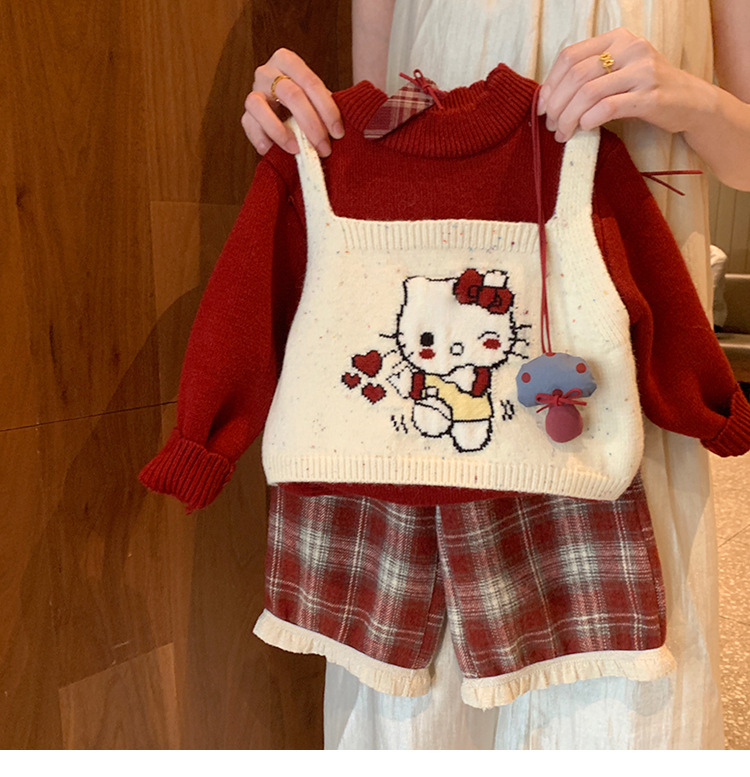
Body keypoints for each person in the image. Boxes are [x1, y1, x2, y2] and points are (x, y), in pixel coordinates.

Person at [145, 0, 750, 750]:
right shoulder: (333, 163)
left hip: (571, 428)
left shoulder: (587, 161)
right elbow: (260, 283)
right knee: (419, 727)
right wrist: (203, 440)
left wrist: (707, 403)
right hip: (380, 470)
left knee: (609, 716)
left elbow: (658, 273)